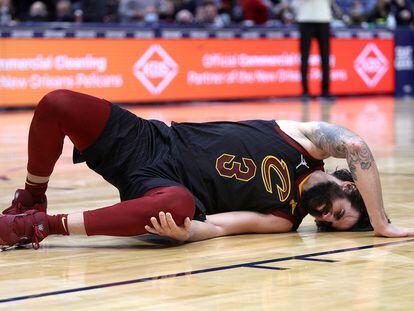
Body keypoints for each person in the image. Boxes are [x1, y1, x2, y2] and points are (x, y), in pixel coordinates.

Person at [0, 90, 413, 250]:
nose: (324, 214)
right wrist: (381, 223)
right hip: (150, 140)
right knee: (58, 104)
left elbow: (216, 226)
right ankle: (32, 195)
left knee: (180, 208)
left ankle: (38, 225)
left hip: (161, 188)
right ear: (347, 183)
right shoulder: (307, 140)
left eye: (327, 222)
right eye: (337, 211)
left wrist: (186, 232)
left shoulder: (284, 220)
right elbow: (355, 144)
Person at [296, 0, 333, 101]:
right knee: (304, 57)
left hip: (323, 18)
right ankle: (305, 92)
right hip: (305, 19)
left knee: (325, 57)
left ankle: (326, 91)